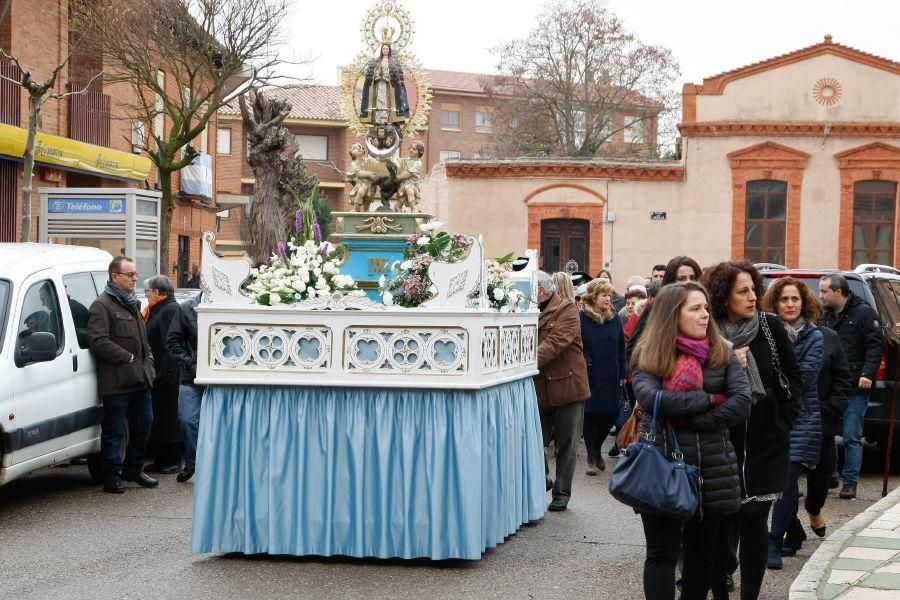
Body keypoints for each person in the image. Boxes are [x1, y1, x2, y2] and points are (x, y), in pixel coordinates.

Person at [631, 282, 752, 600]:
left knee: (702, 559)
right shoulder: (650, 353)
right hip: (663, 466)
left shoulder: (721, 351)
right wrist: (711, 399)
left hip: (713, 470)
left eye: (705, 308)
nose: (704, 315)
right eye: (695, 308)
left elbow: (742, 403)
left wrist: (695, 419)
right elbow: (650, 398)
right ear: (674, 314)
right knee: (662, 554)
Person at [701, 261, 803, 600]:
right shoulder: (706, 330)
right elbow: (691, 382)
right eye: (742, 291)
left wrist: (784, 419)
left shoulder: (769, 326)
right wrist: (728, 362)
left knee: (755, 517)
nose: (752, 297)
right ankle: (720, 591)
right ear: (722, 296)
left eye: (753, 290)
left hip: (766, 439)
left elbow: (794, 376)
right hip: (721, 440)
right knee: (720, 524)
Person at [762, 277, 823, 569]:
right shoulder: (764, 331)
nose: (789, 304)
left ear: (804, 303)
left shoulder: (815, 337)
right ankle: (795, 531)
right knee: (773, 482)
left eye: (794, 299)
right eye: (784, 299)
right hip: (768, 417)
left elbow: (803, 378)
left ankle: (773, 542)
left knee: (786, 481)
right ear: (775, 302)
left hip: (802, 419)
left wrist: (771, 379)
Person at [87, 256, 158, 494]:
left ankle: (134, 469)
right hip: (117, 382)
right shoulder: (102, 305)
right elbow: (98, 341)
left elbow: (142, 340)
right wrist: (127, 357)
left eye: (136, 274)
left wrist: (148, 360)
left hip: (140, 378)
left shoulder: (132, 303)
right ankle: (112, 476)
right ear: (115, 276)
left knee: (145, 424)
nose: (135, 278)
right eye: (130, 274)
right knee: (114, 430)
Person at [819, 273, 884, 500]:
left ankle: (850, 482)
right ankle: (831, 475)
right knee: (827, 433)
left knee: (850, 436)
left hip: (856, 384)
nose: (821, 296)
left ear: (838, 292)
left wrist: (867, 373)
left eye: (824, 291)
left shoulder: (864, 313)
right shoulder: (824, 315)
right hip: (831, 384)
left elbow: (875, 346)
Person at [533, 270, 590, 511]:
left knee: (567, 444)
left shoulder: (567, 309)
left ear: (541, 291)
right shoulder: (528, 310)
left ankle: (562, 492)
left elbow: (555, 343)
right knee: (536, 441)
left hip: (568, 387)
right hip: (541, 387)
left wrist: (523, 362)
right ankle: (544, 478)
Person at [579, 280, 626, 475]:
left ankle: (598, 449)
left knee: (609, 416)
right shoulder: (582, 317)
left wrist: (623, 372)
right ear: (593, 297)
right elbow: (578, 344)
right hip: (591, 373)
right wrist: (586, 361)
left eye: (610, 295)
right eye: (604, 295)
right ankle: (590, 456)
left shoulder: (614, 318)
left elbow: (621, 348)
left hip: (611, 373)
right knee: (590, 415)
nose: (608, 298)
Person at [143, 275, 183, 474]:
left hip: (166, 374)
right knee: (160, 416)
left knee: (167, 417)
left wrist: (165, 374)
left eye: (148, 292)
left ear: (157, 292)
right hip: (158, 372)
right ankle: (161, 458)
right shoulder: (159, 309)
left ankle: (171, 459)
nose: (147, 295)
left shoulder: (169, 310)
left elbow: (170, 345)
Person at [166, 291, 204, 483]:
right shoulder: (187, 308)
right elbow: (173, 342)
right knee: (187, 421)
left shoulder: (234, 306)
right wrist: (191, 363)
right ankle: (192, 462)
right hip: (191, 377)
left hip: (222, 379)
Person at [359, 43, 411, 124]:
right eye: (384, 49)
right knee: (379, 99)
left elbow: (397, 79)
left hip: (390, 87)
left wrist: (388, 77)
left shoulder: (393, 63)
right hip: (379, 85)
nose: (385, 50)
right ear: (381, 50)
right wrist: (377, 76)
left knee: (387, 101)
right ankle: (378, 117)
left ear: (389, 50)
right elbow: (371, 75)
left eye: (387, 49)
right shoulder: (376, 62)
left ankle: (388, 118)